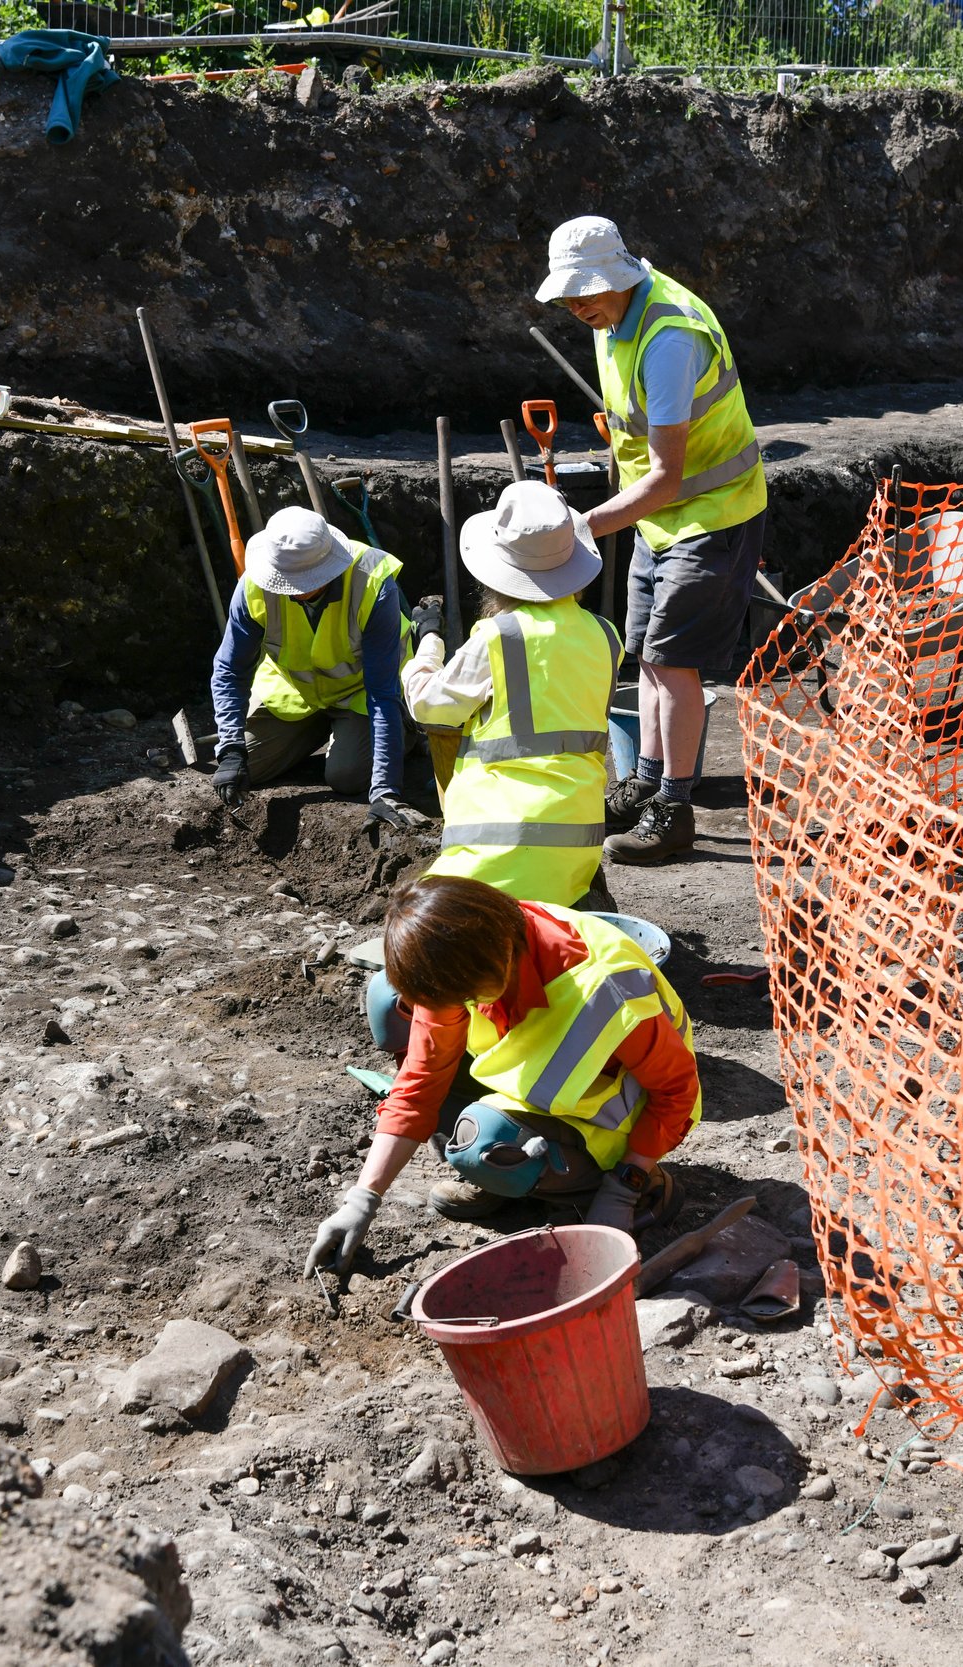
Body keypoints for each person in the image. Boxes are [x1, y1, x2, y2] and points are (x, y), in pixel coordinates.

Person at [305, 874, 699, 1273]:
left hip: (619, 1117)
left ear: (500, 959)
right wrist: (362, 1199)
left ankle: (646, 1190)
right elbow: (419, 1086)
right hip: (541, 1086)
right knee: (392, 1011)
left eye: (467, 997)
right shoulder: (471, 952)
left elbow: (676, 1093)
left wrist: (624, 1187)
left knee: (484, 1142)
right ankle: (515, 1179)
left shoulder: (604, 988)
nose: (462, 1005)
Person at [537, 214, 769, 866]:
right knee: (644, 654)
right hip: (658, 517)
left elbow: (667, 476)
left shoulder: (667, 339)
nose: (574, 305)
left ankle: (673, 807)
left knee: (674, 662)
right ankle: (642, 780)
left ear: (617, 275)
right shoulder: (612, 318)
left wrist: (584, 526)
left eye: (583, 291)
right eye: (567, 295)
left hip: (712, 514)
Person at [406, 480, 623, 909]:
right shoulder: (606, 636)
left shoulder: (498, 637)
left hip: (493, 849)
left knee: (418, 923)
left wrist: (427, 642)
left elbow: (429, 706)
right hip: (579, 845)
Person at [210, 505, 420, 827]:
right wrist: (230, 750)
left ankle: (407, 734)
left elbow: (382, 691)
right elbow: (230, 670)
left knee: (347, 777)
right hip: (297, 694)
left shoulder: (373, 583)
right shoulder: (253, 586)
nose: (289, 589)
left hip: (363, 694)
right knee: (248, 766)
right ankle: (321, 734)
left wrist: (385, 792)